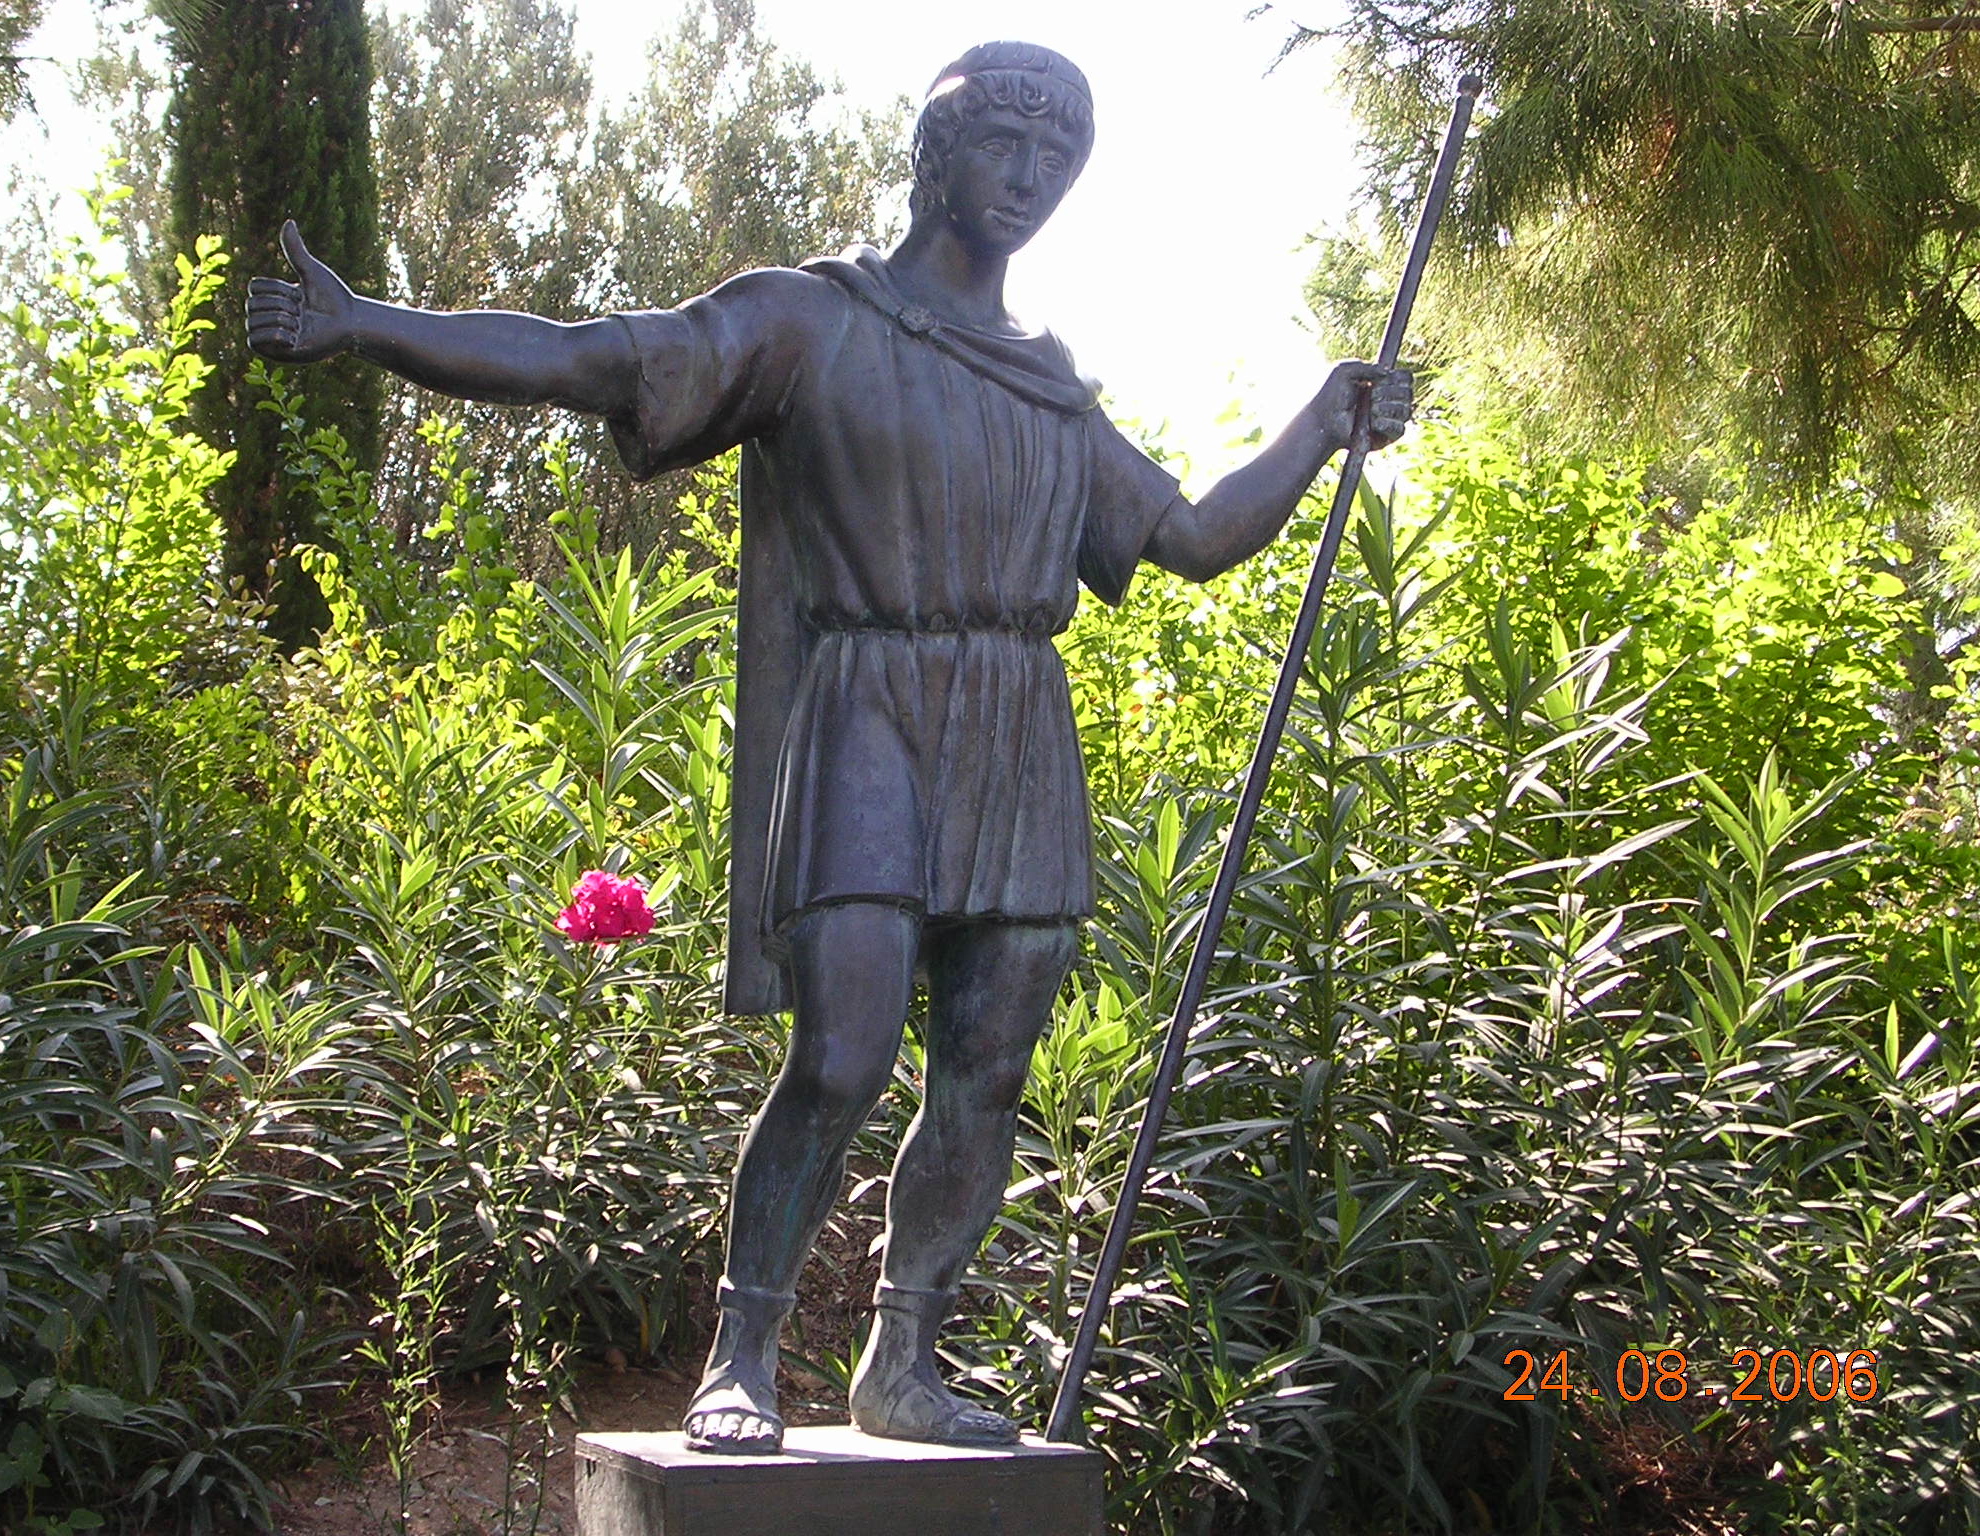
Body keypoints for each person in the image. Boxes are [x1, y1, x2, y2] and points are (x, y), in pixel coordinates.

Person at [246, 39, 1411, 1456]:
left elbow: (1192, 536)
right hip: (868, 712)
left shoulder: (1048, 388)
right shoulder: (812, 320)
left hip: (1016, 732)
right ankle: (739, 1352)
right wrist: (365, 323)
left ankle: (902, 1359)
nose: (1031, 177)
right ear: (937, 154)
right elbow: (589, 357)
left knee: (986, 1073)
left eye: (1059, 157)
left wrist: (1322, 423)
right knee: (844, 1053)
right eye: (1004, 145)